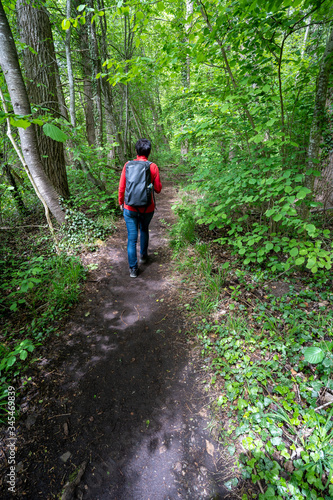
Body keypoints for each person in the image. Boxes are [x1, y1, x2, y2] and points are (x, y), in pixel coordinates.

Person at [118, 138, 162, 278]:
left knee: (131, 239)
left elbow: (121, 187)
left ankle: (133, 269)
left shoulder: (128, 165)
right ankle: (143, 256)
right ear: (149, 151)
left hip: (129, 207)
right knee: (144, 230)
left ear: (136, 151)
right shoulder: (152, 166)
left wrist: (120, 202)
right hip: (147, 208)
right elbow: (158, 189)